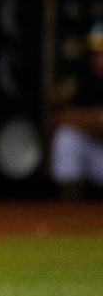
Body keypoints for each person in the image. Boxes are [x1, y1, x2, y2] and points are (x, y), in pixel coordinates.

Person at [50, 20, 103, 199]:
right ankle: (70, 215)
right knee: (66, 139)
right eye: (95, 53)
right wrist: (93, 118)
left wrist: (80, 118)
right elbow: (57, 118)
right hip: (96, 155)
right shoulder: (83, 80)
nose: (99, 59)